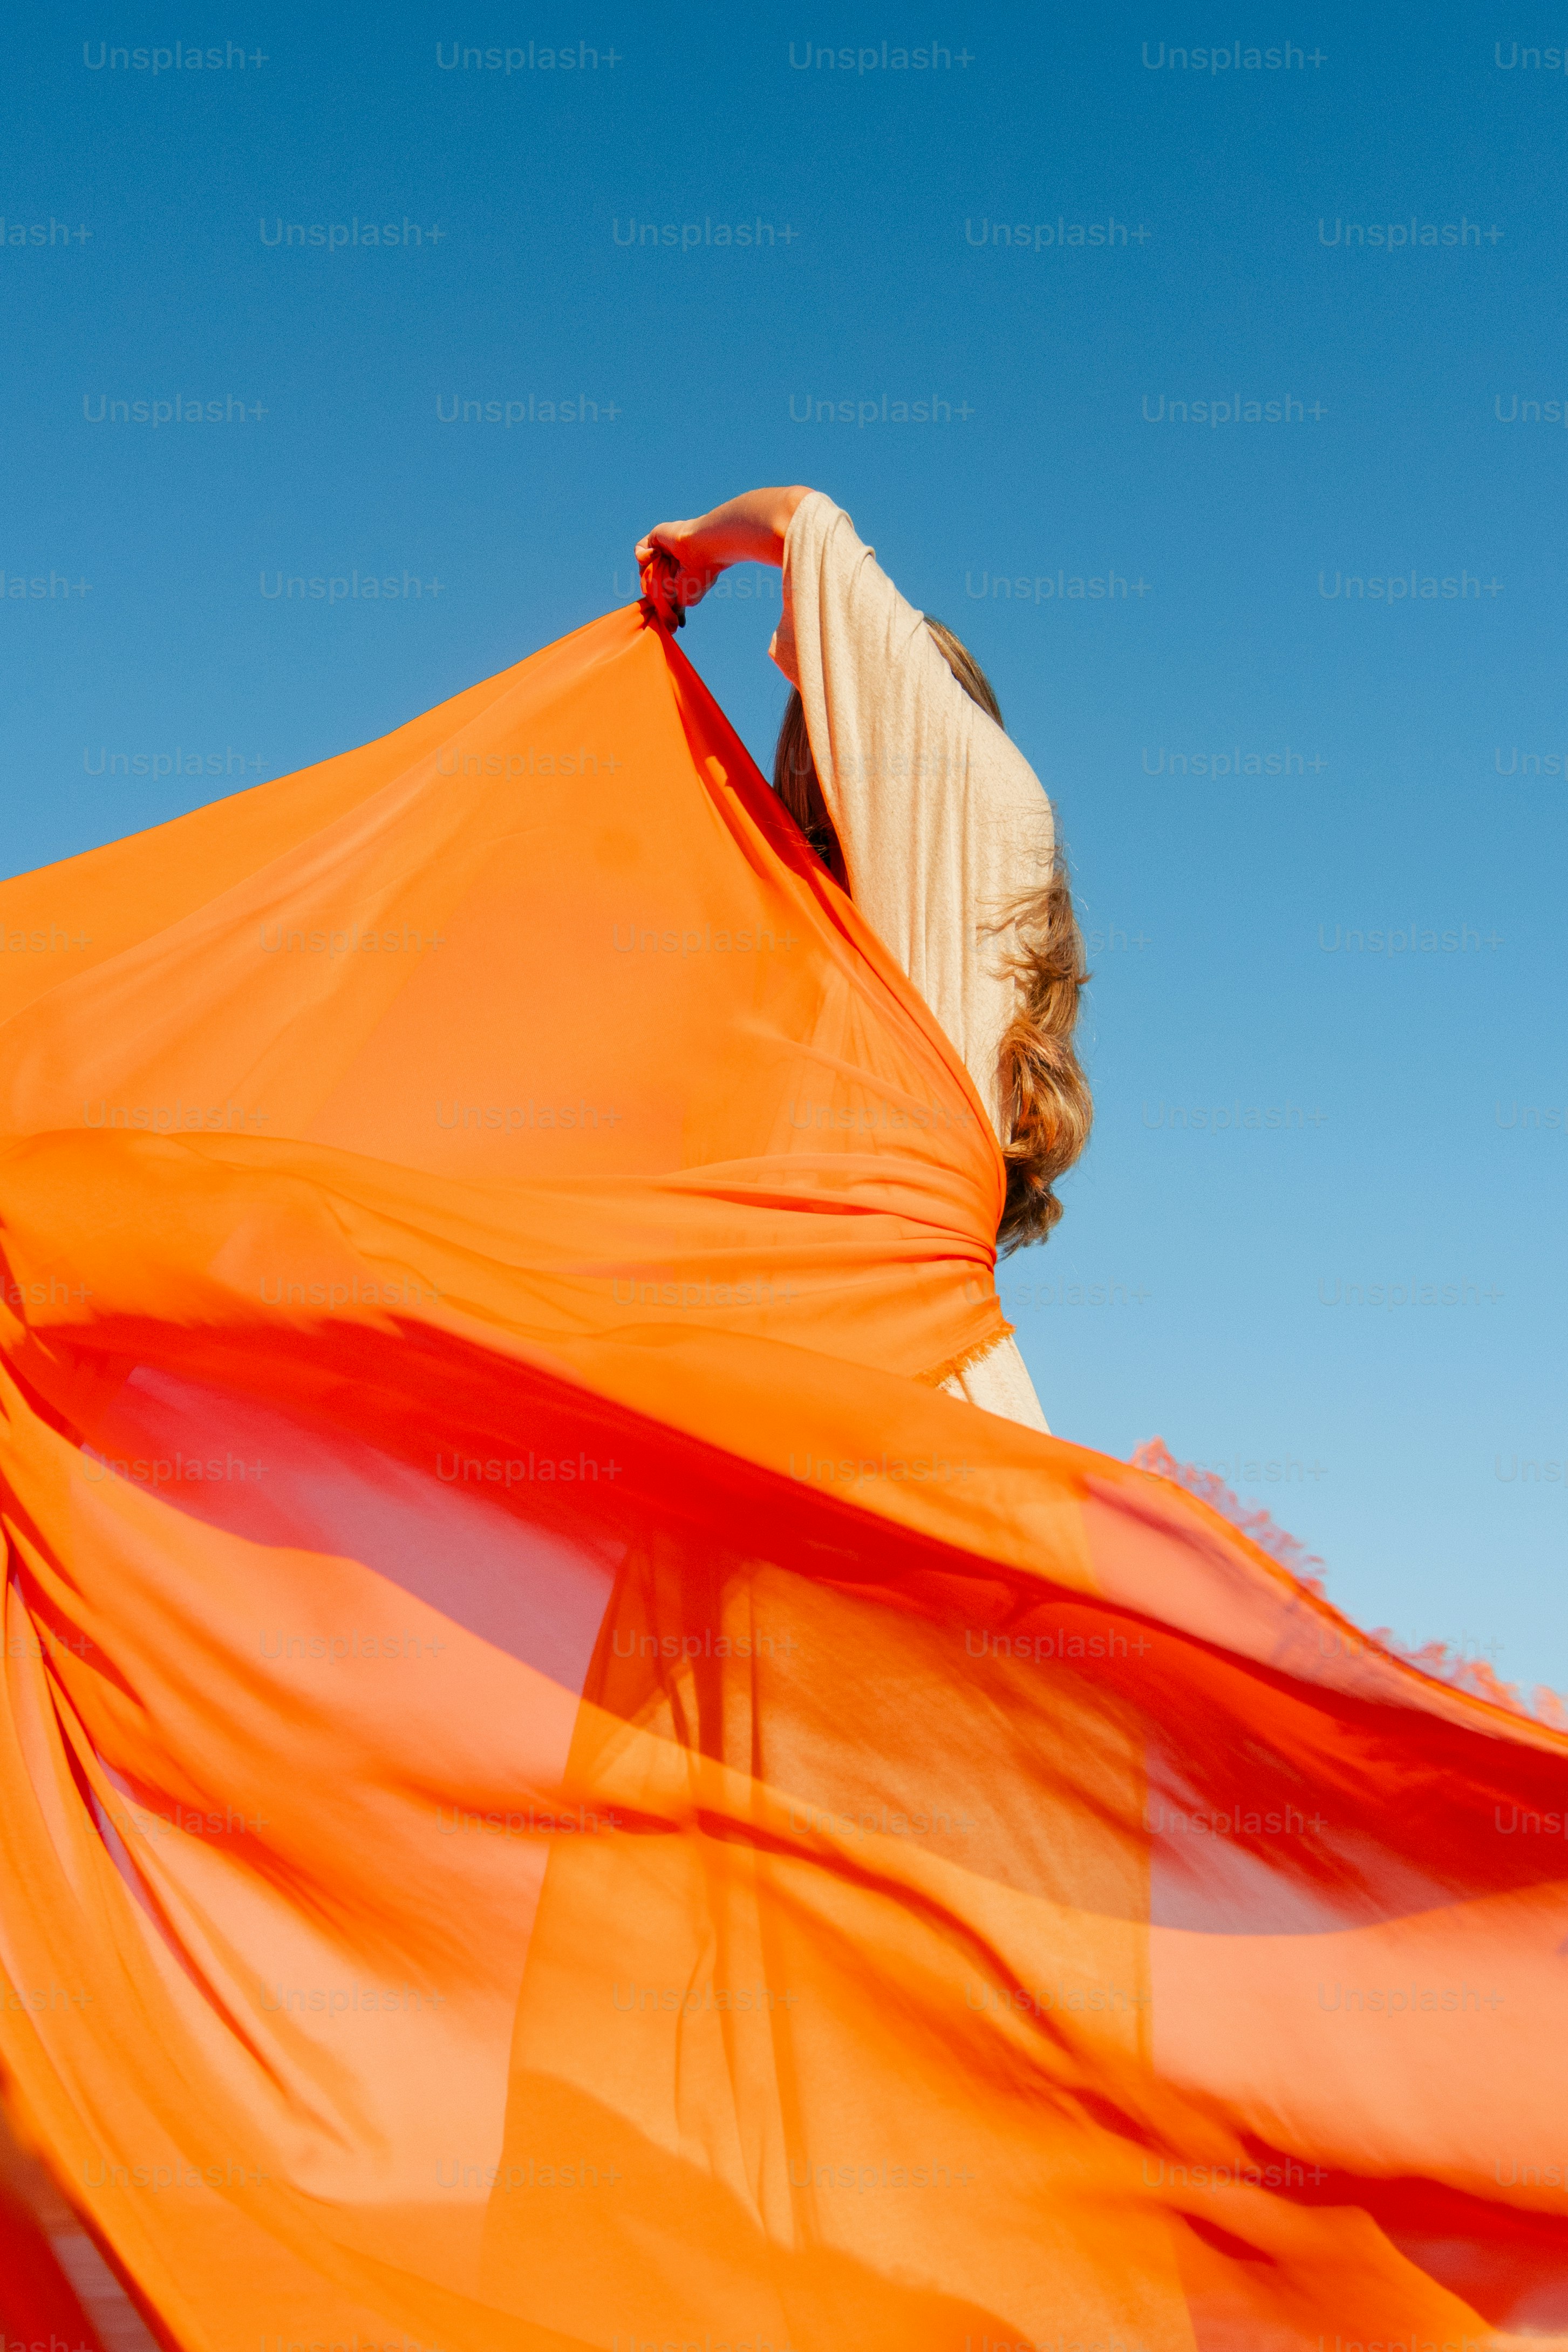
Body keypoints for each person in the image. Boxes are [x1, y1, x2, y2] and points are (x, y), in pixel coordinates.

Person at [636, 486, 1092, 1435]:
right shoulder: (860, 918)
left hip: (850, 1358)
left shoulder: (960, 796)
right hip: (851, 1355)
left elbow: (805, 522)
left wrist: (698, 546)